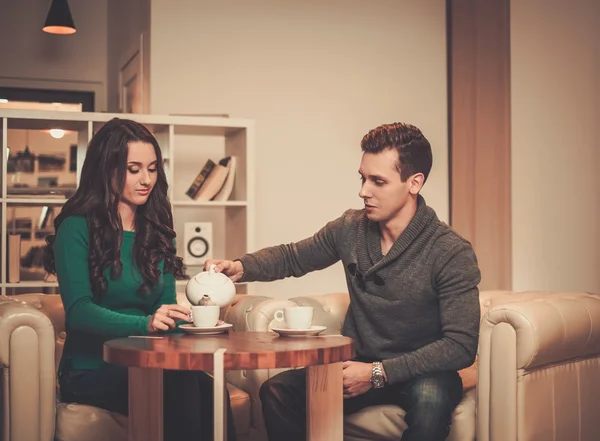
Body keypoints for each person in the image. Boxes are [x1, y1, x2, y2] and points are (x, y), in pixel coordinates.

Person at [205, 122, 481, 441]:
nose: (364, 190)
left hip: (423, 372)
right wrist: (241, 267)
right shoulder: (351, 228)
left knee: (431, 401)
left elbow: (460, 346)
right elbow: (294, 256)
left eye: (378, 181)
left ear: (414, 183)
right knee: (278, 391)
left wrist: (378, 373)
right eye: (363, 178)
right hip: (358, 363)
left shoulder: (450, 251)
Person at [44, 117, 236, 441]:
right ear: (107, 168)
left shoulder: (158, 229)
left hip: (151, 360)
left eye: (152, 168)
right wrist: (145, 325)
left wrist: (192, 320)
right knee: (178, 385)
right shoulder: (76, 227)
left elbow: (164, 307)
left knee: (213, 390)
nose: (146, 179)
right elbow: (78, 311)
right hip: (93, 367)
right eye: (134, 169)